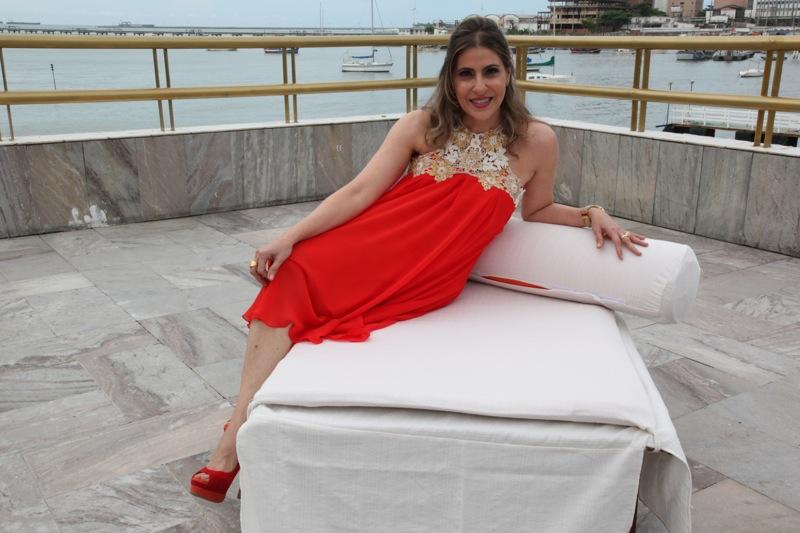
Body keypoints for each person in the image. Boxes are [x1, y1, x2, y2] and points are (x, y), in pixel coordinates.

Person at [190, 16, 647, 503]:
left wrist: (591, 213)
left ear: (509, 73)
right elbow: (361, 191)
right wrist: (290, 237)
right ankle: (235, 437)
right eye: (466, 74)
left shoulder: (536, 141)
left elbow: (537, 210)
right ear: (450, 78)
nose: (479, 87)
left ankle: (236, 440)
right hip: (371, 243)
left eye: (490, 72)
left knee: (305, 298)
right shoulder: (421, 126)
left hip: (426, 275)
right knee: (295, 270)